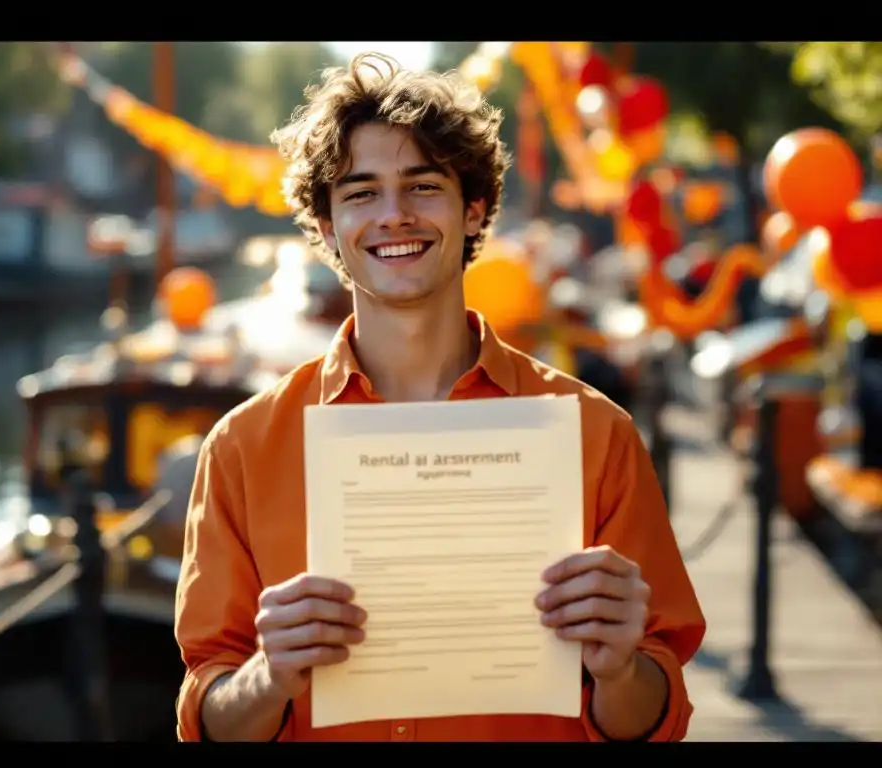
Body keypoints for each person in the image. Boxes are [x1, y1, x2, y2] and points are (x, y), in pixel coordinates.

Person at [174, 52, 706, 742]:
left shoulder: (595, 435)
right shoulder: (243, 448)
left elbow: (653, 721)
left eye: (422, 186)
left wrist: (619, 669)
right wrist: (267, 674)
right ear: (329, 228)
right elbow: (208, 720)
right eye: (361, 193)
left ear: (474, 208)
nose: (394, 216)